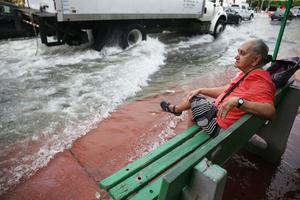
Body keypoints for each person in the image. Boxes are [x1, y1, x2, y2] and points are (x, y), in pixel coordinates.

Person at [160, 39, 276, 147]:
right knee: (197, 99)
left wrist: (238, 101)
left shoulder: (260, 81)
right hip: (226, 122)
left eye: (242, 53)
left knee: (194, 100)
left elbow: (270, 111)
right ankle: (182, 120)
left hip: (222, 130)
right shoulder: (250, 74)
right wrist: (201, 89)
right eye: (238, 52)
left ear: (256, 60)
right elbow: (227, 90)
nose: (236, 57)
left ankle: (186, 137)